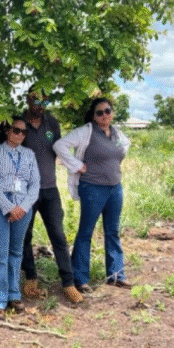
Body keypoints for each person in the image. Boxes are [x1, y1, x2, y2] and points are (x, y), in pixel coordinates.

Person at [54, 97, 131, 292]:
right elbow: (59, 146)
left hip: (115, 188)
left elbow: (123, 151)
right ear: (94, 116)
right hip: (93, 188)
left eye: (107, 111)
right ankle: (80, 278)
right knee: (86, 232)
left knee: (112, 231)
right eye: (100, 112)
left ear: (112, 112)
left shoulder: (117, 134)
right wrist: (77, 166)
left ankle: (116, 275)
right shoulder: (86, 132)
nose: (104, 115)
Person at [20, 87, 80, 303]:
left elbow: (60, 151)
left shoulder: (52, 123)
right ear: (27, 99)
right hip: (25, 192)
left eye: (45, 103)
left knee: (59, 236)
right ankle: (31, 277)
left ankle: (68, 283)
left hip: (49, 189)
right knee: (24, 236)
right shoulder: (17, 123)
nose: (41, 107)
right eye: (37, 101)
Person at [0, 117, 40, 320]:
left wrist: (23, 208)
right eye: (16, 130)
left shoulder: (29, 154)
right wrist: (8, 208)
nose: (20, 135)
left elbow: (35, 185)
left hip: (23, 205)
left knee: (16, 252)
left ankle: (13, 294)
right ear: (7, 130)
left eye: (24, 132)